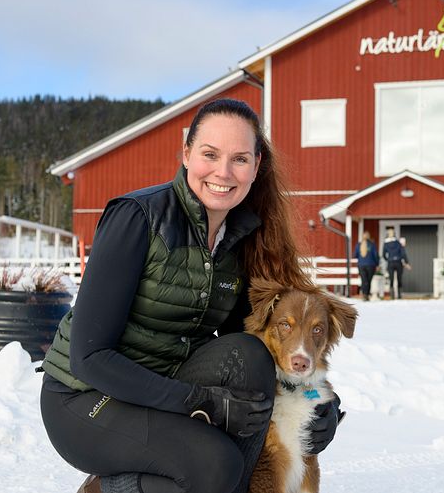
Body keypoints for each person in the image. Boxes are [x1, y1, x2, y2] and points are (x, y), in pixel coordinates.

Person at [38, 98, 343, 493]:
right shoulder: (138, 217)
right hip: (85, 400)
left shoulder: (243, 238)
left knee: (249, 357)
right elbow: (90, 358)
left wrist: (324, 403)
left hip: (163, 388)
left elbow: (264, 346)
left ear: (256, 166)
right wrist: (199, 401)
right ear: (186, 154)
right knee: (214, 464)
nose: (223, 172)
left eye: (239, 159)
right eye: (210, 154)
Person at [382, 228, 410, 299]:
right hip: (398, 262)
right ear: (394, 234)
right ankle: (399, 295)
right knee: (399, 278)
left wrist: (388, 259)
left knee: (391, 279)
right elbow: (403, 253)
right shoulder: (398, 243)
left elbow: (384, 255)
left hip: (390, 263)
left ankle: (392, 296)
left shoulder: (386, 244)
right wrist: (407, 262)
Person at [354, 231, 379, 301]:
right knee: (368, 281)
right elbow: (375, 255)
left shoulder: (358, 245)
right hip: (371, 265)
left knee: (364, 280)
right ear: (369, 237)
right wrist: (377, 264)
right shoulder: (372, 244)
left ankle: (364, 294)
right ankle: (367, 295)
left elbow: (355, 255)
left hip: (361, 265)